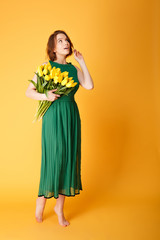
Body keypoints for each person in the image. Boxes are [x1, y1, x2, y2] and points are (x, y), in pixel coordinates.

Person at [25, 30, 94, 227]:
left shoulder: (73, 68)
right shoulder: (46, 67)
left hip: (71, 115)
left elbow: (89, 85)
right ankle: (42, 200)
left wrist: (82, 62)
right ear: (53, 47)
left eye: (67, 40)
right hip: (53, 116)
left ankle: (59, 208)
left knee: (68, 158)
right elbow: (29, 92)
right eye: (60, 40)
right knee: (54, 158)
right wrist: (45, 95)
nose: (66, 43)